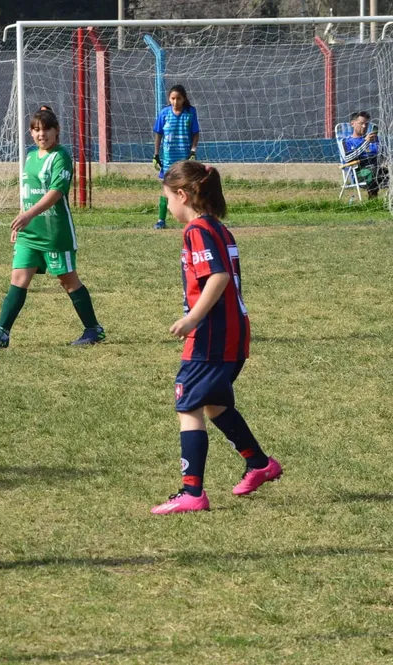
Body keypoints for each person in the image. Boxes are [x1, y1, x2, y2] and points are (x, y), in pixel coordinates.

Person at [149, 161, 283, 515]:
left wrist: (192, 318)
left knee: (188, 406)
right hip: (233, 332)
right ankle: (259, 464)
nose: (167, 205)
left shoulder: (197, 230)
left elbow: (218, 276)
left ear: (182, 195)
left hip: (211, 334)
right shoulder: (218, 228)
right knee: (214, 405)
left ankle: (192, 492)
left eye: (167, 198)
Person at [0, 107, 105, 349]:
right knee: (18, 278)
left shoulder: (61, 156)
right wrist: (20, 221)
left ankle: (93, 329)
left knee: (68, 280)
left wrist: (29, 215)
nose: (41, 134)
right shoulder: (31, 157)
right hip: (29, 233)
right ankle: (2, 333)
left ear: (56, 131)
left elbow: (56, 192)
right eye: (36, 129)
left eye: (46, 129)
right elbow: (27, 193)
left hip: (54, 233)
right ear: (31, 133)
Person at [152, 84, 200, 229]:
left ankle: (194, 217)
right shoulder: (164, 113)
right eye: (172, 98)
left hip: (184, 159)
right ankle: (161, 220)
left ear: (184, 99)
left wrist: (193, 151)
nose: (175, 101)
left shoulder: (190, 113)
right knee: (166, 189)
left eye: (178, 98)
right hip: (168, 159)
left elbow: (195, 133)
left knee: (188, 187)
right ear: (169, 99)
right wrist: (156, 154)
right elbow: (158, 134)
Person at [342, 110, 388, 199]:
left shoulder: (374, 139)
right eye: (361, 123)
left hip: (379, 169)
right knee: (373, 171)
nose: (364, 126)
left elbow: (384, 155)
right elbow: (347, 158)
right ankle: (373, 200)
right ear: (352, 124)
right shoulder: (346, 141)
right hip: (360, 173)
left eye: (366, 124)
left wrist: (388, 161)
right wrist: (365, 142)